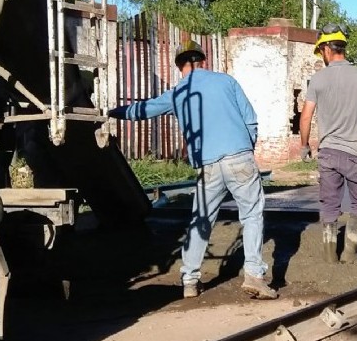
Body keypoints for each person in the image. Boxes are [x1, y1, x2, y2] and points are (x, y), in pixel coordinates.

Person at [108, 40, 277, 300]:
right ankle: (254, 275)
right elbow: (250, 119)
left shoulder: (177, 94)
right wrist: (246, 146)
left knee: (201, 220)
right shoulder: (226, 82)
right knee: (252, 215)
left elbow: (141, 111)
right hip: (239, 157)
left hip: (207, 164)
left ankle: (190, 279)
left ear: (179, 66)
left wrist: (110, 112)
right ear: (203, 61)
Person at [299, 23, 357, 263]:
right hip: (356, 153)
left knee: (329, 204)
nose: (322, 57)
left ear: (328, 49)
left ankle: (330, 257)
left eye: (321, 52)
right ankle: (350, 253)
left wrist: (305, 145)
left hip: (328, 154)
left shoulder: (317, 80)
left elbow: (306, 116)